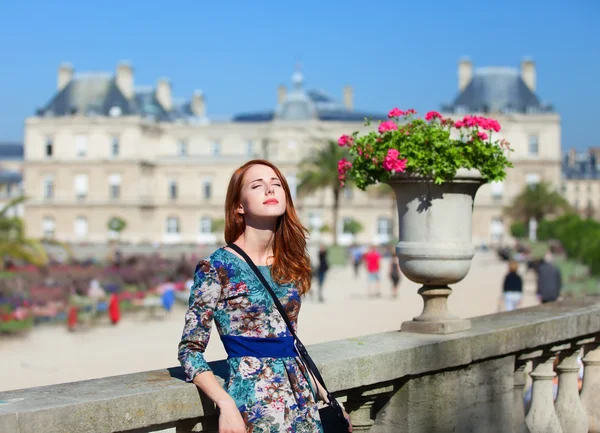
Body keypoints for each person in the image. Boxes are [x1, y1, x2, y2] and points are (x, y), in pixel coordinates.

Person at [177, 160, 352, 433]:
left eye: (276, 184)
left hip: (301, 401)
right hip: (254, 406)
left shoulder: (290, 264)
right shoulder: (217, 266)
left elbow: (290, 343)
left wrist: (325, 395)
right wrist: (225, 403)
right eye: (257, 185)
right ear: (239, 205)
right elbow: (190, 350)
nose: (270, 189)